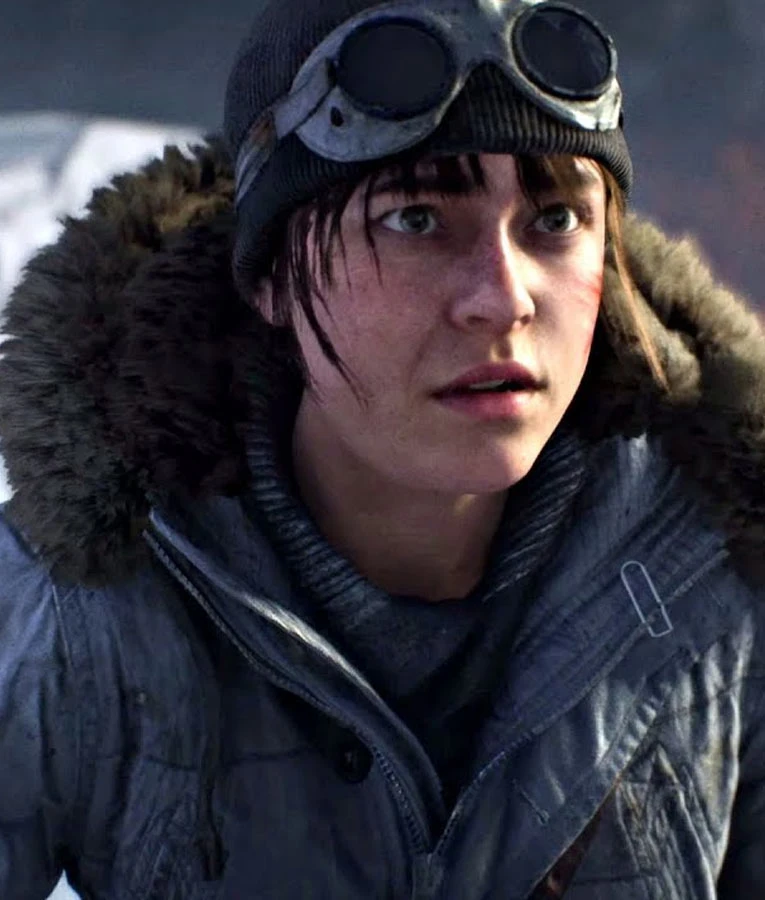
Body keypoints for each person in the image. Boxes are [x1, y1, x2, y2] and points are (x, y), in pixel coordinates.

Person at [0, 0, 764, 896]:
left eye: (556, 220)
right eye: (415, 220)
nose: (502, 299)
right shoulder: (82, 606)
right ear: (271, 276)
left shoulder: (720, 573)